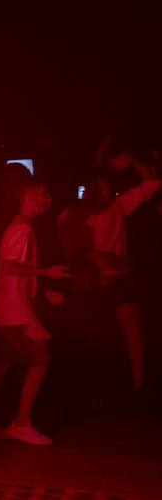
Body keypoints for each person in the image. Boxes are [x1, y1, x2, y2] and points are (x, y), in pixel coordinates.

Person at [0, 177, 67, 444]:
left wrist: (41, 289)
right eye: (42, 193)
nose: (46, 198)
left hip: (8, 306)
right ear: (27, 197)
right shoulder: (23, 228)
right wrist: (45, 272)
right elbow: (9, 267)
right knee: (41, 360)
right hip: (15, 310)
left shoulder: (20, 226)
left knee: (0, 365)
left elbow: (12, 271)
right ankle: (22, 423)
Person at [66, 156, 160, 393]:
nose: (105, 194)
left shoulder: (118, 208)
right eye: (101, 189)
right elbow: (71, 252)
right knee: (95, 337)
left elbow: (152, 183)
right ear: (89, 190)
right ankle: (96, 389)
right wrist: (93, 259)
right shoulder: (72, 216)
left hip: (119, 279)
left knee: (132, 327)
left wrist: (132, 162)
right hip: (90, 284)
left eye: (108, 189)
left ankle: (139, 385)